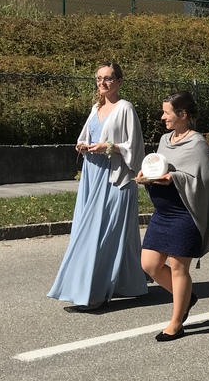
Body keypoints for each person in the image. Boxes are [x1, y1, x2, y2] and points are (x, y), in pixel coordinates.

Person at [48, 63, 147, 311]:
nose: (102, 83)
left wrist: (109, 147)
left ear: (119, 82)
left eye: (108, 79)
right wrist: (82, 144)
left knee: (104, 234)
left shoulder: (125, 108)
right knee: (91, 229)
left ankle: (95, 291)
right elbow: (87, 136)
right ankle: (127, 284)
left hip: (115, 179)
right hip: (93, 176)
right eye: (99, 79)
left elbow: (134, 147)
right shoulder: (96, 108)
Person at [136, 91, 209, 342]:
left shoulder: (198, 144)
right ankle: (187, 298)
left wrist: (176, 177)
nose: (163, 117)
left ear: (182, 115)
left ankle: (176, 322)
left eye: (167, 113)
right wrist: (145, 175)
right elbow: (158, 166)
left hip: (185, 213)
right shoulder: (164, 140)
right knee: (149, 264)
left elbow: (203, 182)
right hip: (163, 213)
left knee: (180, 268)